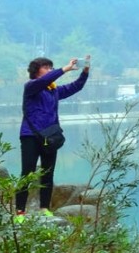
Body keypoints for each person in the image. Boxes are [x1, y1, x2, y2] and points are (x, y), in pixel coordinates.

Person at [18, 55, 90, 215]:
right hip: (30, 135)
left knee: (48, 172)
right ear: (36, 71)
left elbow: (75, 86)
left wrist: (84, 72)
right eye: (46, 67)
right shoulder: (31, 86)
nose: (50, 70)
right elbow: (45, 81)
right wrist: (65, 68)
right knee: (27, 173)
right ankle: (20, 211)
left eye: (51, 67)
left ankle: (44, 208)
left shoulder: (53, 91)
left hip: (49, 137)